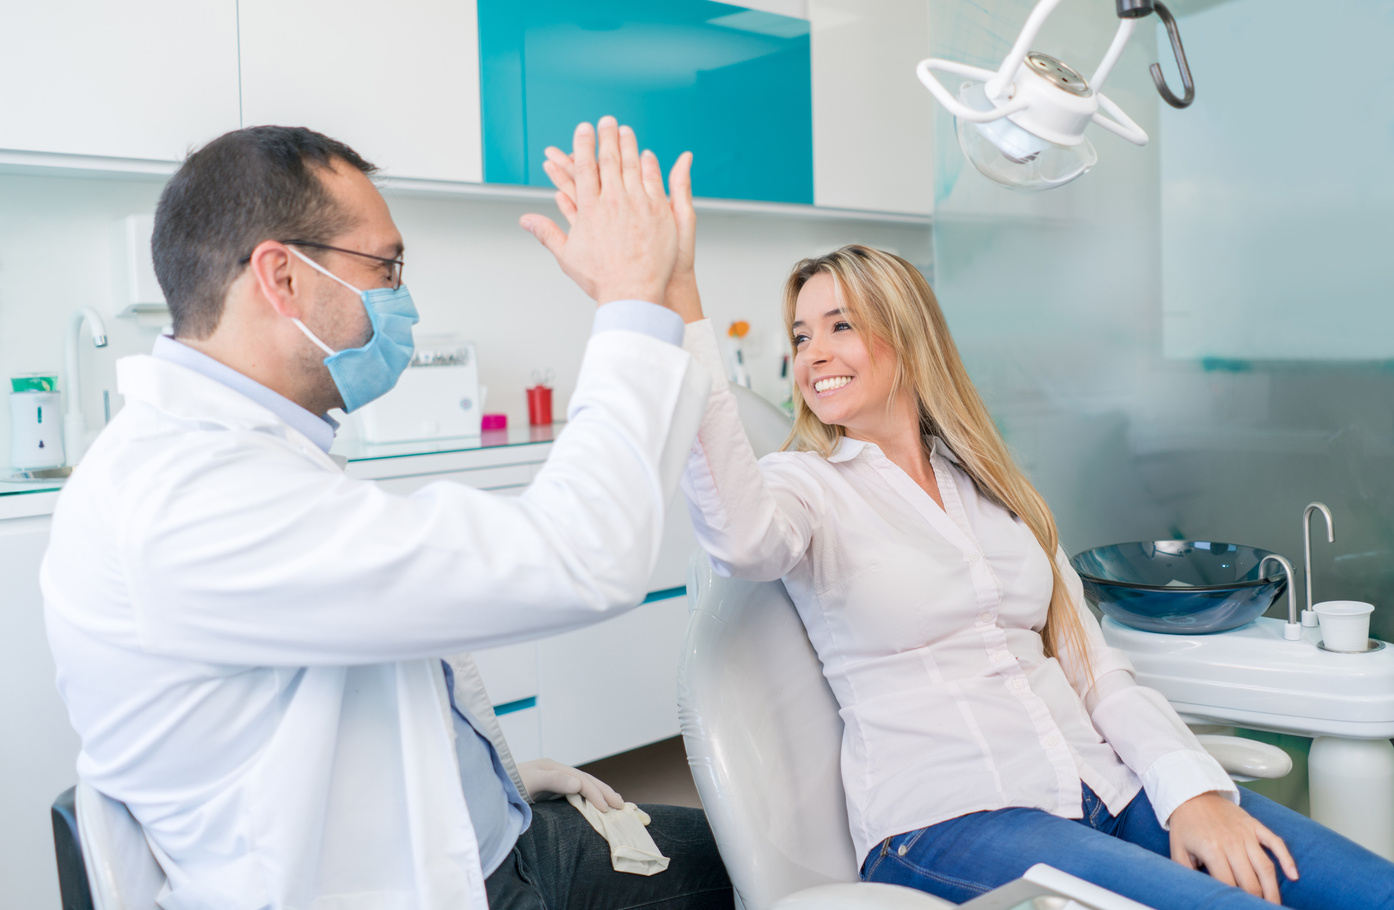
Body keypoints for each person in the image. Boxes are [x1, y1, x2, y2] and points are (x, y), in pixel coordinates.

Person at [533, 149, 1394, 906]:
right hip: (951, 820)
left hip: (1104, 782)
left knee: (1364, 888)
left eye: (841, 325)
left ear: (906, 338)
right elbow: (740, 538)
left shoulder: (993, 485)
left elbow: (1096, 670)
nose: (813, 352)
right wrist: (680, 304)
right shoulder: (806, 488)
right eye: (801, 335)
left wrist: (1189, 789)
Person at [42, 119, 733, 910]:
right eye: (385, 265)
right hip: (428, 887)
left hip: (491, 834)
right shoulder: (185, 498)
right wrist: (633, 302)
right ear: (283, 277)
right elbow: (578, 555)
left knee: (749, 852)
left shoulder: (251, 452)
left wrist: (492, 783)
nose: (400, 295)